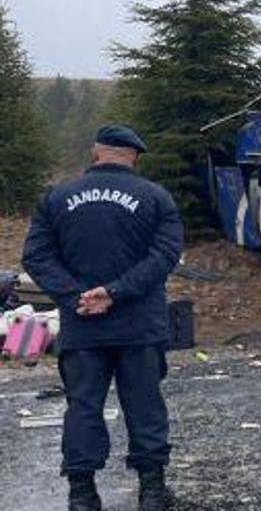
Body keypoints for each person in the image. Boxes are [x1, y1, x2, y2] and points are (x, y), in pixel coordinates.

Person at [22, 126, 183, 511]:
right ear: (134, 157)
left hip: (81, 325)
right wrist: (115, 292)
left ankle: (82, 494)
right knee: (144, 403)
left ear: (96, 153)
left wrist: (76, 294)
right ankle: (153, 491)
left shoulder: (56, 197)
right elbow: (163, 258)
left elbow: (36, 256)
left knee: (83, 406)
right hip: (140, 324)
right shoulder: (156, 197)